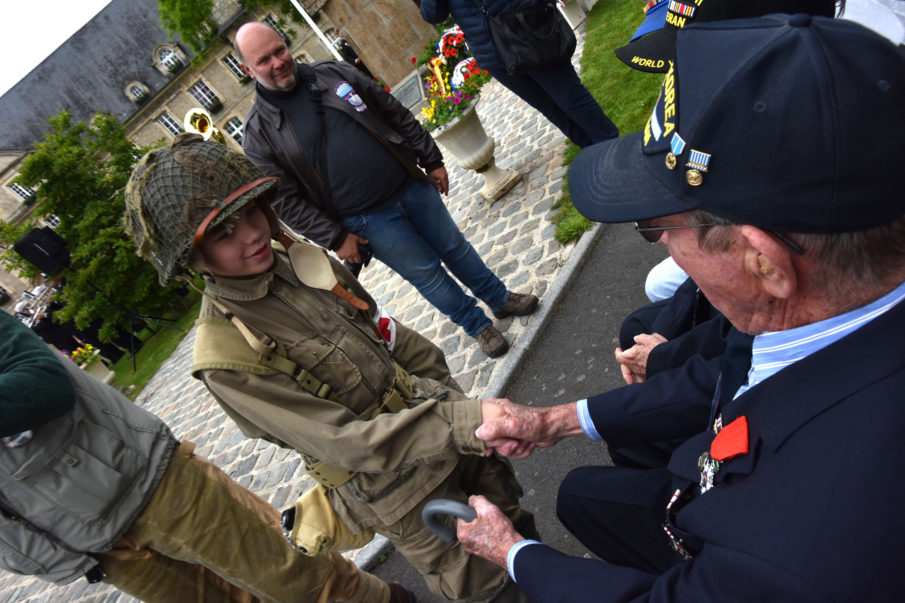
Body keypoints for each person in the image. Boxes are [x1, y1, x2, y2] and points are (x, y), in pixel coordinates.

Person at [451, 14, 905, 600]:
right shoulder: (822, 307)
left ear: (764, 262)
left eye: (656, 226)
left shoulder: (796, 552)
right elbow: (729, 372)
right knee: (590, 492)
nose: (660, 243)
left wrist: (511, 553)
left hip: (730, 520)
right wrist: (554, 420)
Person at [123, 133, 537, 602]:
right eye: (223, 232)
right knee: (493, 584)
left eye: (252, 212)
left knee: (520, 533)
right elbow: (344, 442)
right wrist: (465, 422)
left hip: (450, 434)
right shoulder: (227, 357)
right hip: (400, 489)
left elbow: (393, 338)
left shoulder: (301, 261)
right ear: (192, 259)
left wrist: (460, 408)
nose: (253, 233)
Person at [0, 310, 411, 602]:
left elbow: (43, 382)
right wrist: (50, 559)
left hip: (144, 478)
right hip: (81, 539)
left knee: (292, 575)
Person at [234, 22, 538, 358]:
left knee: (456, 248)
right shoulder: (258, 134)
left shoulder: (332, 73)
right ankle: (478, 326)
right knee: (429, 277)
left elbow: (391, 110)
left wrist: (431, 158)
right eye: (264, 60)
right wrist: (335, 238)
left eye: (280, 50)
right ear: (248, 70)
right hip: (366, 221)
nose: (278, 62)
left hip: (408, 183)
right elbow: (286, 202)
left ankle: (499, 298)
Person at [418, 0, 618, 149]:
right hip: (492, 53)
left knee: (571, 98)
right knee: (550, 107)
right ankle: (595, 154)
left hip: (527, 32)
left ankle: (616, 148)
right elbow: (433, 15)